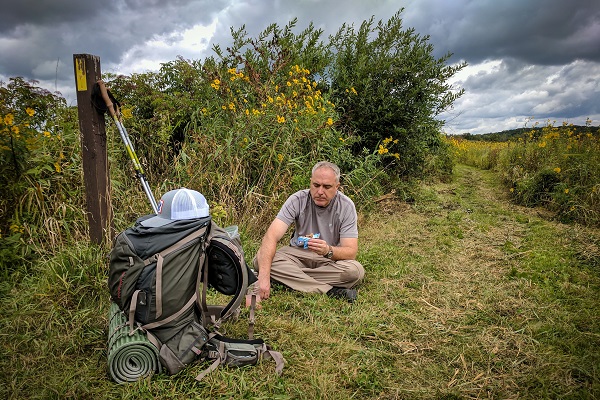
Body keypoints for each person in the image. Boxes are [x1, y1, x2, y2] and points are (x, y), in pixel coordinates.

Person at [252, 161, 365, 303]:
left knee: (355, 272)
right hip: (297, 254)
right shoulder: (297, 199)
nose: (320, 192)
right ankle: (330, 291)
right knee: (260, 259)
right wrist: (263, 277)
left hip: (329, 260)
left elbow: (350, 251)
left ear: (337, 187)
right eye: (316, 185)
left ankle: (286, 278)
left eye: (327, 187)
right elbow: (271, 235)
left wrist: (327, 250)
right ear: (310, 182)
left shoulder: (346, 206)